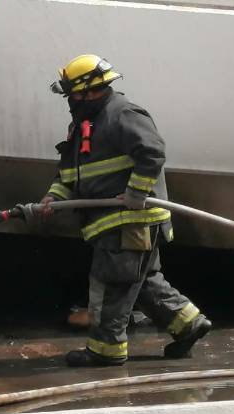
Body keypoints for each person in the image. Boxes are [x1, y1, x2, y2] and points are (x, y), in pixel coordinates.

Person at [41, 54, 211, 367]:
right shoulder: (83, 124)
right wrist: (54, 197)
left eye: (73, 94)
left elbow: (152, 152)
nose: (70, 101)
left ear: (91, 91)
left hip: (130, 221)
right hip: (121, 222)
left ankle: (105, 352)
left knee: (111, 284)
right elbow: (70, 173)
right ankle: (188, 324)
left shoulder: (123, 114)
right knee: (142, 281)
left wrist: (136, 191)